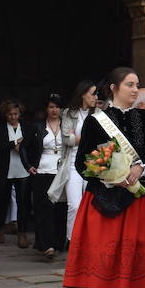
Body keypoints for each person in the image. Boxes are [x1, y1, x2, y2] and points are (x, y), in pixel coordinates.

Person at [63, 66, 145, 288]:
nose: (134, 89)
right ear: (114, 88)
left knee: (131, 261)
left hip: (137, 199)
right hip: (104, 199)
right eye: (129, 84)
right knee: (105, 262)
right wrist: (109, 176)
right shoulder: (95, 122)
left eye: (137, 84)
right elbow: (82, 163)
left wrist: (141, 168)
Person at [0, 99, 36, 248]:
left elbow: (33, 145)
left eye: (16, 114)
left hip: (23, 168)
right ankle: (0, 229)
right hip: (4, 169)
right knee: (3, 200)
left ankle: (22, 233)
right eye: (10, 114)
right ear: (5, 115)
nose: (14, 117)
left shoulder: (27, 127)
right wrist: (14, 144)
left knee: (24, 202)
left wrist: (24, 150)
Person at [54, 80, 97, 244]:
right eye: (93, 93)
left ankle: (89, 241)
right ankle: (72, 240)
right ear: (83, 94)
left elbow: (101, 140)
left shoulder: (98, 113)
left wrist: (78, 138)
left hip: (92, 165)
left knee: (92, 206)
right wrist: (87, 138)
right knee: (74, 205)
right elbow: (67, 139)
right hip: (72, 164)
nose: (96, 97)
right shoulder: (68, 113)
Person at [29, 96, 68, 261]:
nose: (54, 110)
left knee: (60, 209)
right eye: (51, 107)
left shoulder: (66, 125)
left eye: (57, 107)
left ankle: (58, 242)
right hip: (43, 170)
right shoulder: (38, 126)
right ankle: (46, 245)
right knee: (44, 208)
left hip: (61, 171)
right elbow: (27, 146)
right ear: (46, 108)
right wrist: (28, 165)